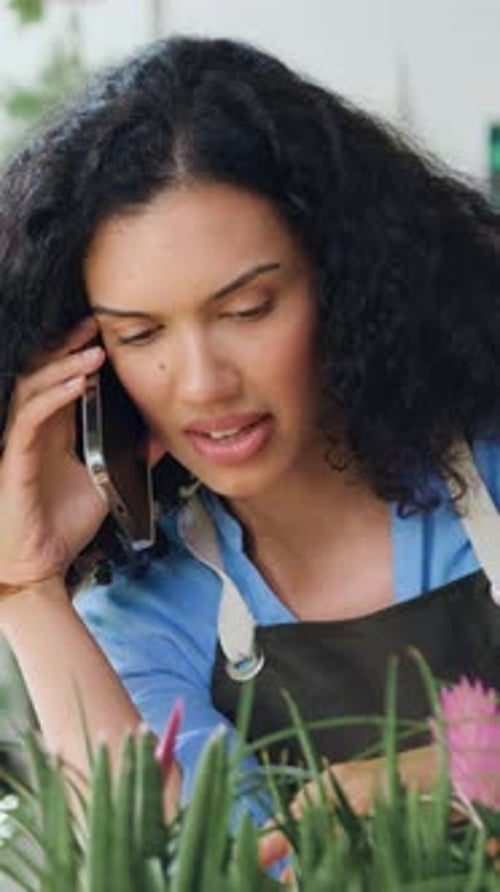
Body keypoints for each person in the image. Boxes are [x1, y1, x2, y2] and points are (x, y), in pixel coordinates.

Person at [1, 34, 500, 837]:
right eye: (140, 336)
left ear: (346, 280)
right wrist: (25, 591)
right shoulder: (150, 612)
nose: (201, 384)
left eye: (247, 310)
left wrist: (396, 779)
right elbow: (163, 863)